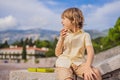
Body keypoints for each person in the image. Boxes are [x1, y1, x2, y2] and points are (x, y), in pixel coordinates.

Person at [55, 7, 102, 80]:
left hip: (79, 63)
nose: (61, 21)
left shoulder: (85, 35)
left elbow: (90, 52)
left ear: (73, 20)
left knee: (95, 73)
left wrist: (88, 67)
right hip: (63, 64)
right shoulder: (64, 35)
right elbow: (57, 54)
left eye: (64, 19)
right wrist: (61, 39)